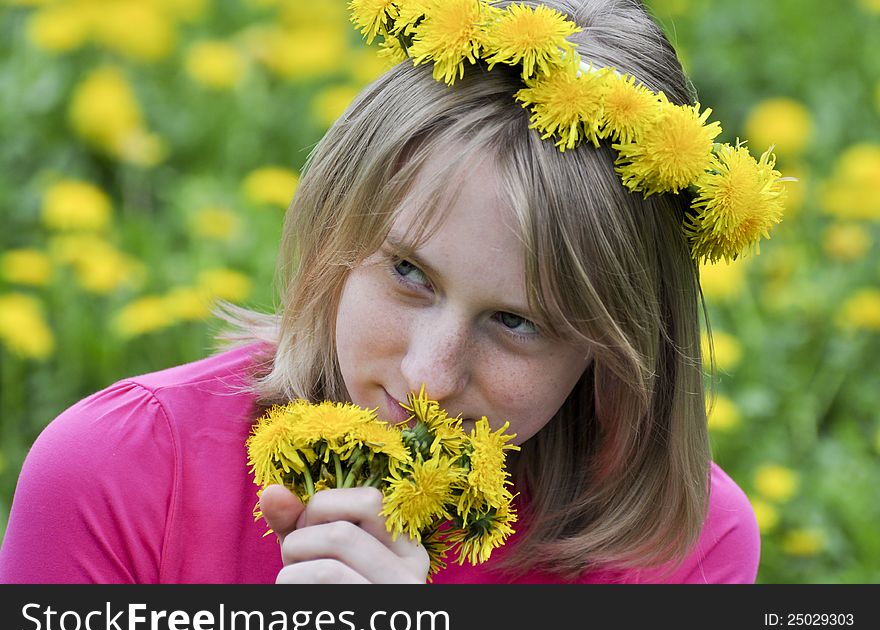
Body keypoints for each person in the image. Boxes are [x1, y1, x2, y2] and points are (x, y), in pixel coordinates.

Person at [0, 0, 778, 584]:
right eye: (409, 273)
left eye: (517, 321)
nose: (429, 377)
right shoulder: (121, 476)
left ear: (612, 347)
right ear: (336, 230)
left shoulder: (684, 550)